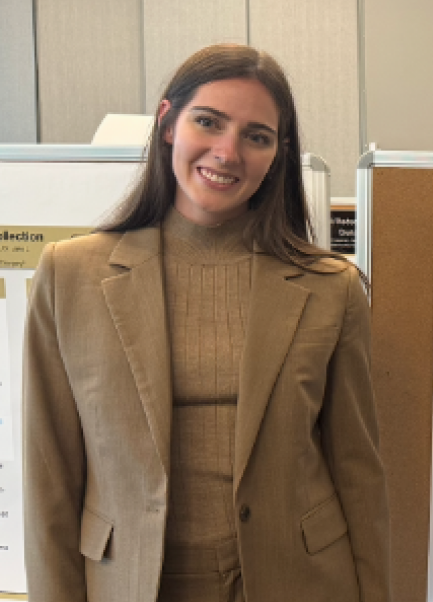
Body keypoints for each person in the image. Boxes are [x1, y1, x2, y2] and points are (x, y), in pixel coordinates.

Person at [22, 44, 390, 602]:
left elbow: (359, 473)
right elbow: (49, 480)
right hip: (133, 581)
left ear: (277, 156)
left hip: (300, 580)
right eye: (208, 122)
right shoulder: (71, 275)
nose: (227, 151)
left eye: (256, 136)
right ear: (168, 124)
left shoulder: (329, 286)